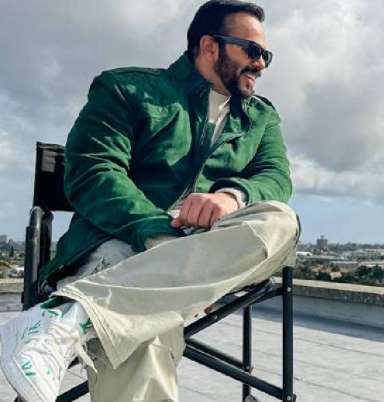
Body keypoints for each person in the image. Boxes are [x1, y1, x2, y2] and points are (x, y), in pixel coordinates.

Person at [0, 1, 299, 401]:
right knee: (141, 328)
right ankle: (96, 312)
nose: (261, 64)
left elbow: (276, 178)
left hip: (214, 249)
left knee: (281, 221)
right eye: (253, 50)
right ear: (210, 46)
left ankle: (71, 316)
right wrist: (157, 232)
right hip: (120, 240)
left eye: (266, 55)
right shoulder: (127, 90)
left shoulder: (261, 118)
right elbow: (93, 173)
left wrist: (232, 197)